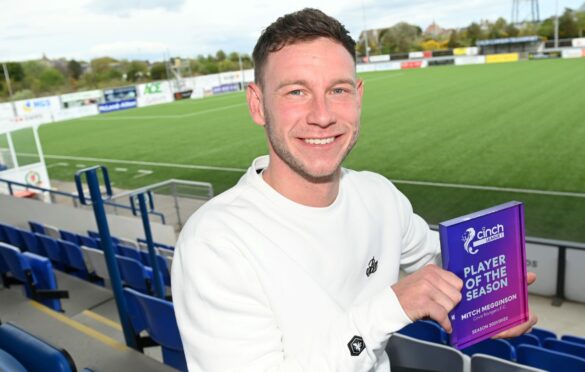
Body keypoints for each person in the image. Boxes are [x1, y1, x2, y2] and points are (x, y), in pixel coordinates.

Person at [171, 8, 537, 371]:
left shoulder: (379, 195)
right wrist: (391, 307)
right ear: (257, 104)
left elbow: (442, 261)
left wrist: (497, 296)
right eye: (297, 91)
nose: (322, 115)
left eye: (338, 89)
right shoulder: (215, 243)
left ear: (358, 96)